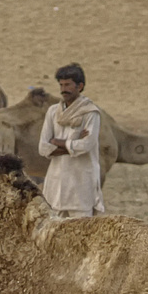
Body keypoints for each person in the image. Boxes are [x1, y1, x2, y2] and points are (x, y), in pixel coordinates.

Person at [38, 63, 103, 218]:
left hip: (80, 188)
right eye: (61, 85)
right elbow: (42, 148)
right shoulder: (53, 112)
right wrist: (73, 144)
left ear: (80, 86)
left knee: (82, 237)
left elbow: (86, 145)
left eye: (67, 85)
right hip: (56, 186)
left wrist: (58, 142)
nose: (63, 89)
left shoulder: (90, 113)